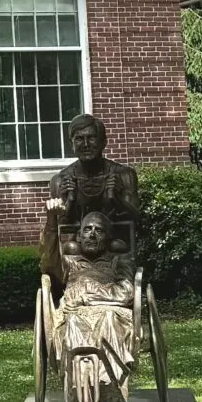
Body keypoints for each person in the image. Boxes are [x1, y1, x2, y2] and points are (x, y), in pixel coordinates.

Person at [56, 208, 139, 402]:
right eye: (87, 229)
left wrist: (91, 294)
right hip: (75, 313)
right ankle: (79, 383)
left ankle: (109, 382)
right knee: (71, 321)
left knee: (110, 319)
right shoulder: (69, 262)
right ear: (79, 236)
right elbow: (47, 260)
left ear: (108, 238)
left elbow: (126, 292)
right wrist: (52, 223)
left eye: (99, 230)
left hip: (112, 312)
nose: (92, 235)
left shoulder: (119, 260)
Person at [42, 111, 143, 289]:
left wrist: (117, 198)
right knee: (70, 249)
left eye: (91, 138)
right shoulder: (60, 180)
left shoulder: (123, 175)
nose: (86, 144)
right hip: (79, 253)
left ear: (103, 141)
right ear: (71, 144)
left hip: (115, 253)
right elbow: (57, 224)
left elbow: (136, 217)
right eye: (79, 139)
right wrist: (69, 200)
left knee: (118, 248)